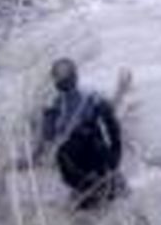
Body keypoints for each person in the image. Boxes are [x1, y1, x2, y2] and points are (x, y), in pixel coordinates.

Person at [24, 58, 125, 210]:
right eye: (59, 76)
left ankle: (100, 190)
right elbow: (46, 139)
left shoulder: (91, 98)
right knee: (68, 155)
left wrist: (115, 156)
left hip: (94, 158)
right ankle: (89, 193)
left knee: (84, 146)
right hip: (77, 164)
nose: (63, 80)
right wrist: (31, 159)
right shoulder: (54, 106)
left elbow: (112, 126)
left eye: (65, 75)